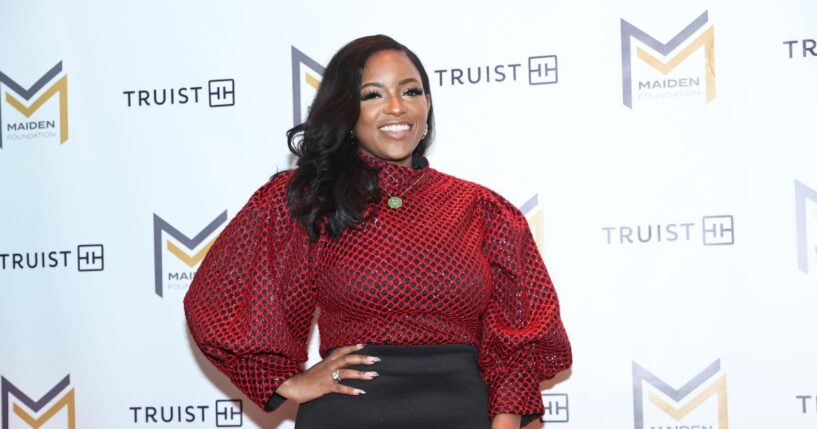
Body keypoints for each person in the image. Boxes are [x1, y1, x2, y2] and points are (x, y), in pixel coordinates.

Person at [184, 34, 571, 429]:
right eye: (373, 95)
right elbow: (220, 304)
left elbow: (517, 345)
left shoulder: (482, 209)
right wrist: (288, 384)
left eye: (411, 91)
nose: (396, 107)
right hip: (349, 415)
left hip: (464, 414)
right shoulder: (310, 200)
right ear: (347, 110)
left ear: (428, 103)